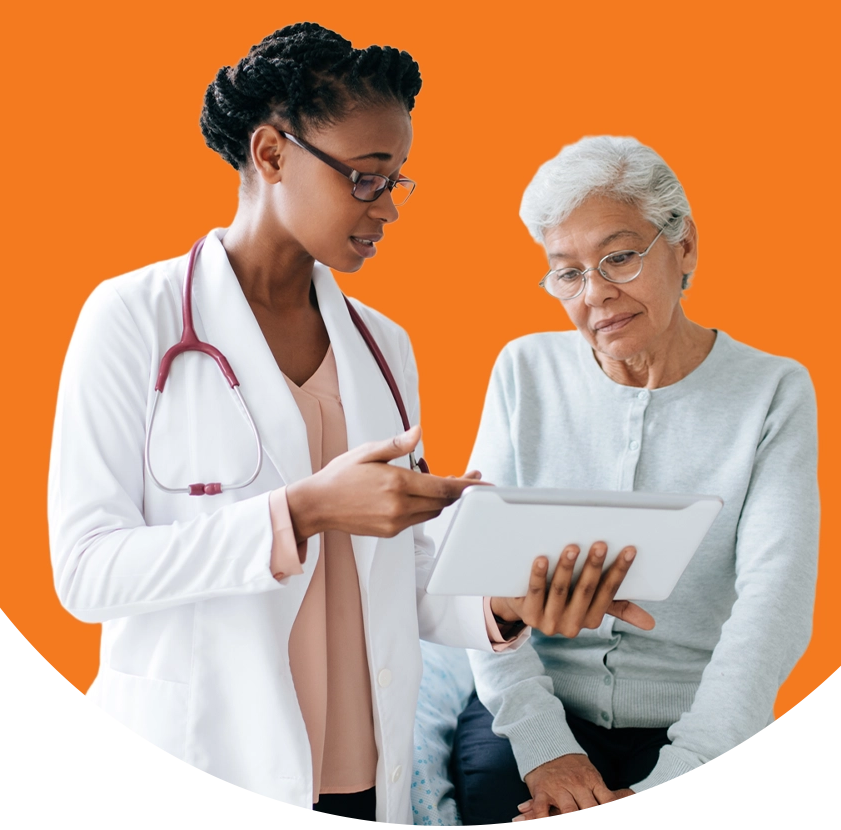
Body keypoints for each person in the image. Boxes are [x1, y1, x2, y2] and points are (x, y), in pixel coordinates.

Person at [47, 26, 651, 825]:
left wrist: (505, 604)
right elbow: (88, 573)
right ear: (270, 155)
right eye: (367, 180)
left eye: (399, 181)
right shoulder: (134, 319)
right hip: (205, 764)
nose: (390, 208)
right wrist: (303, 511)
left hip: (364, 779)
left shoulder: (383, 347)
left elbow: (395, 578)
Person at [449, 136, 819, 824]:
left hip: (702, 718)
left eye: (619, 257)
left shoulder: (773, 391)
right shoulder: (524, 372)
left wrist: (679, 782)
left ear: (684, 247)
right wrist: (541, 746)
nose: (596, 295)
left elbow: (775, 607)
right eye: (567, 273)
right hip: (541, 710)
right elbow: (480, 586)